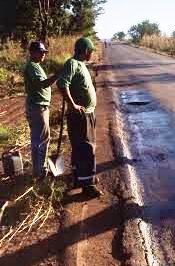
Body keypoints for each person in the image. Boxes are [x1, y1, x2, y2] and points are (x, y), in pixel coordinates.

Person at [57, 37, 101, 197]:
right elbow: (62, 84)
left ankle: (80, 178)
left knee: (80, 147)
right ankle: (87, 185)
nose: (91, 54)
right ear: (86, 51)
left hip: (87, 113)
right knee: (87, 148)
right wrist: (73, 105)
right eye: (91, 51)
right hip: (81, 115)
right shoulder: (72, 63)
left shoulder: (81, 64)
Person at [24, 41, 59, 180]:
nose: (43, 54)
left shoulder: (36, 66)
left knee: (40, 139)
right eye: (41, 52)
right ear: (32, 53)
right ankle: (40, 172)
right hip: (37, 107)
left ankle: (40, 170)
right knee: (41, 140)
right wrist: (57, 75)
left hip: (40, 106)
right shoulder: (32, 66)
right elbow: (42, 84)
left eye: (44, 52)